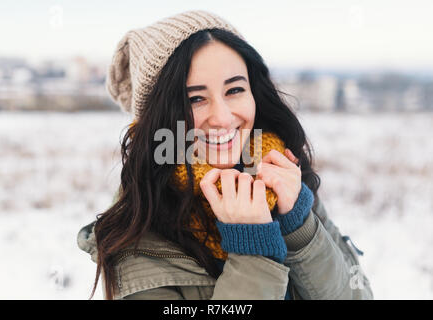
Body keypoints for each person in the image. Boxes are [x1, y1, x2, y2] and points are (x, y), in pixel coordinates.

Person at [77, 10, 373, 300]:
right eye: (195, 98)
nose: (221, 117)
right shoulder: (137, 237)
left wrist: (298, 225)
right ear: (158, 117)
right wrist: (252, 247)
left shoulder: (284, 183)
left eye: (234, 90)